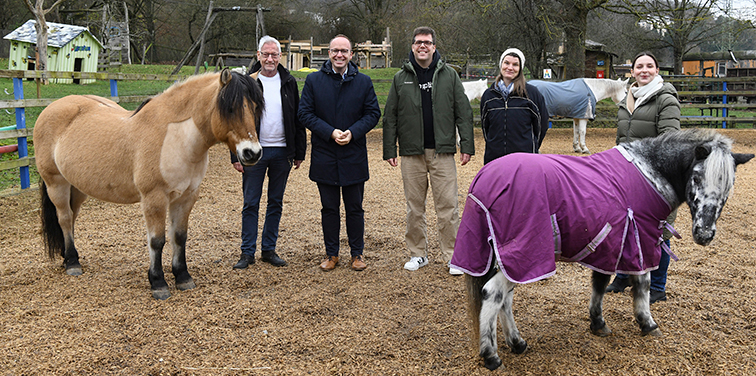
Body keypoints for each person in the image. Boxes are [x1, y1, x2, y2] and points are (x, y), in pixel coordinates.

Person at [382, 26, 474, 275]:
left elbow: (463, 112)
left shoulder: (449, 76)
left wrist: (466, 144)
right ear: (412, 46)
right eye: (418, 42)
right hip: (412, 153)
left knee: (448, 207)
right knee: (415, 207)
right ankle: (418, 254)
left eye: (427, 42)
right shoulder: (401, 78)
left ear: (434, 46)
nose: (422, 46)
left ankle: (453, 256)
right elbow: (390, 116)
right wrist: (390, 148)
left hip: (442, 151)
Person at [298, 34, 381, 271]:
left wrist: (353, 132)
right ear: (329, 53)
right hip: (325, 154)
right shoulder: (314, 81)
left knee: (355, 208)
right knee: (329, 208)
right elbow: (305, 114)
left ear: (351, 54)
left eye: (344, 51)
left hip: (353, 154)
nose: (339, 55)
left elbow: (373, 113)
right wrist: (330, 132)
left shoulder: (363, 82)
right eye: (335, 50)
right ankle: (331, 254)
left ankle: (357, 254)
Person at [605, 51, 681, 304]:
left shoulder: (665, 99)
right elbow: (621, 138)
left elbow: (670, 141)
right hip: (627, 172)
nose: (644, 70)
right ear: (633, 71)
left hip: (653, 175)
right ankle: (623, 277)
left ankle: (658, 285)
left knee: (656, 231)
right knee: (624, 225)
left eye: (649, 66)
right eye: (639, 66)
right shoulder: (627, 98)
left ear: (657, 71)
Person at [231, 35, 307, 270]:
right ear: (258, 56)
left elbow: (297, 117)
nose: (270, 58)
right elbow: (235, 121)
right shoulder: (247, 82)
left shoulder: (289, 82)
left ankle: (269, 249)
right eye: (266, 54)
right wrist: (236, 155)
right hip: (255, 153)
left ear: (280, 57)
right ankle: (247, 252)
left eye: (274, 54)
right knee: (250, 202)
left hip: (282, 151)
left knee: (275, 202)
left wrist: (299, 151)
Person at [480, 48, 549, 165]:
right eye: (506, 63)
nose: (510, 68)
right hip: (495, 158)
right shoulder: (489, 95)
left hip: (524, 159)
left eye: (515, 64)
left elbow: (541, 125)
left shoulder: (531, 94)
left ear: (520, 68)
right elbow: (486, 127)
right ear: (501, 64)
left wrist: (532, 146)